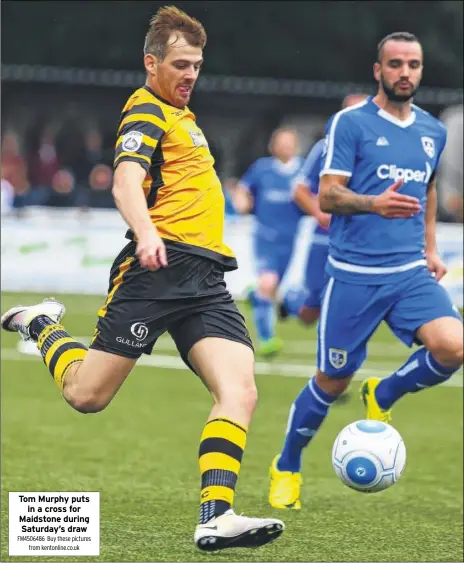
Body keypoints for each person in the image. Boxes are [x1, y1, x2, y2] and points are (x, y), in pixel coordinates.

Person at [2, 6, 284, 551]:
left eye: (197, 65)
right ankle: (41, 325)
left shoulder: (185, 119)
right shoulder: (146, 113)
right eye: (180, 64)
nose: (190, 75)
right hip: (156, 271)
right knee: (87, 396)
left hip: (205, 279)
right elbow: (126, 182)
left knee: (240, 391)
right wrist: (147, 231)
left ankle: (216, 514)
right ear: (151, 62)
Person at [268, 31, 463, 510]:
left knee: (455, 345)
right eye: (394, 64)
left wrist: (432, 248)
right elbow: (328, 194)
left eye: (413, 65)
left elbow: (430, 189)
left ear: (420, 70)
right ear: (379, 70)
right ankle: (287, 465)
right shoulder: (349, 123)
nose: (405, 73)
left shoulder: (431, 130)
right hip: (354, 275)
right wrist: (374, 203)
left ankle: (384, 391)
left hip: (411, 272)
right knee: (331, 383)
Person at [280, 95, 368, 327]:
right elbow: (299, 190)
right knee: (310, 312)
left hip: (359, 238)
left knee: (353, 302)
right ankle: (290, 300)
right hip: (324, 238)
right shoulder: (325, 147)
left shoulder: (377, 151)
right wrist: (320, 213)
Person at [233, 128, 303, 356]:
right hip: (265, 237)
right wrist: (242, 202)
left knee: (283, 295)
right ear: (273, 146)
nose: (284, 147)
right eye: (280, 142)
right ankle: (267, 340)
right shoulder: (262, 168)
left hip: (292, 240)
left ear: (296, 146)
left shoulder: (303, 170)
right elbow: (243, 188)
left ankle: (256, 297)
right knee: (268, 283)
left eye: (288, 143)